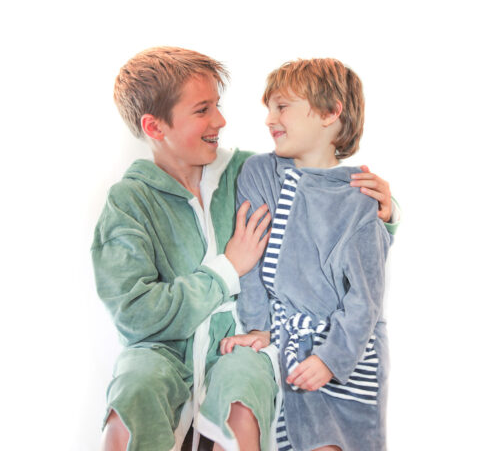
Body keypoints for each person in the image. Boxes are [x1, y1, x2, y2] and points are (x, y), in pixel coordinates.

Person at [91, 46, 396, 451]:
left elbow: (323, 201)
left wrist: (385, 210)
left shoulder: (252, 171)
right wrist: (227, 268)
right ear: (154, 126)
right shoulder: (128, 203)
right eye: (202, 110)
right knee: (132, 396)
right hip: (162, 352)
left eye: (217, 105)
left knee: (242, 394)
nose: (221, 120)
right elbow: (135, 315)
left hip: (243, 345)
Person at [213, 58, 394, 451]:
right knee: (296, 437)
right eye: (268, 108)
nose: (269, 119)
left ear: (330, 113)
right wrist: (257, 327)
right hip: (287, 343)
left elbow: (366, 299)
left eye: (282, 107)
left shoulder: (360, 197)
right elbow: (251, 264)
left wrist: (331, 359)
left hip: (350, 352)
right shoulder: (260, 174)